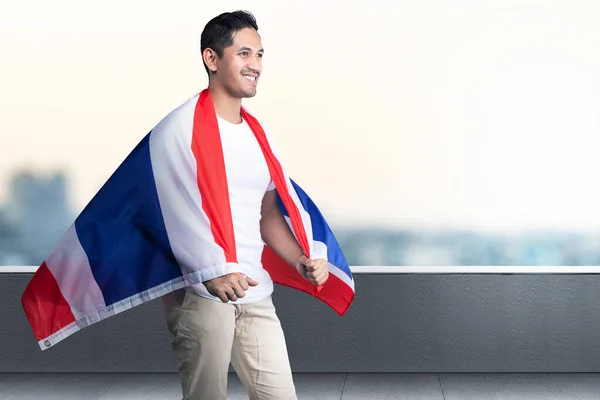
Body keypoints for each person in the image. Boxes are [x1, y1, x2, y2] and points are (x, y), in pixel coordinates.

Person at [161, 10, 330, 400]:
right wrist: (210, 271)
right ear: (212, 59)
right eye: (243, 54)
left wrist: (300, 259)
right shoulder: (179, 129)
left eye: (259, 55)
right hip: (203, 296)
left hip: (254, 292)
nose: (255, 65)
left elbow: (267, 215)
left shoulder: (258, 133)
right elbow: (164, 214)